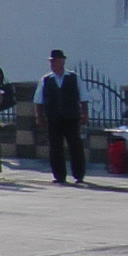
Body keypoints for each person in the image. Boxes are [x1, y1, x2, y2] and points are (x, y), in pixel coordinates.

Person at [35, 49, 87, 184]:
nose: (53, 64)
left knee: (75, 146)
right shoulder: (46, 80)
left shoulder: (74, 78)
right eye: (51, 61)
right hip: (54, 118)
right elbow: (38, 100)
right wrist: (39, 117)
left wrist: (84, 114)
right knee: (55, 147)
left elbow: (83, 97)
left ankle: (79, 174)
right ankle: (59, 175)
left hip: (71, 117)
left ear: (62, 62)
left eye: (55, 61)